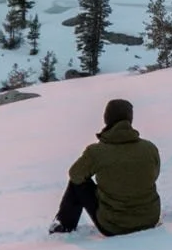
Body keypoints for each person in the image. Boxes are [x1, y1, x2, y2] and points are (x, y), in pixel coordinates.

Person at [50, 98, 161, 236]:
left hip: (114, 225)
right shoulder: (149, 148)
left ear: (107, 119)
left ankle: (63, 226)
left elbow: (75, 174)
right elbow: (154, 175)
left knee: (77, 182)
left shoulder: (97, 152)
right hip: (150, 219)